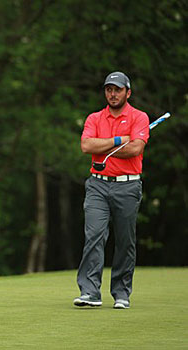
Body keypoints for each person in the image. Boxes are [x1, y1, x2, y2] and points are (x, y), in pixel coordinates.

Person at [73, 71, 149, 309]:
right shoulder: (95, 118)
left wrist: (103, 145)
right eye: (109, 89)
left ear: (128, 92)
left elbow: (135, 149)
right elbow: (86, 145)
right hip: (97, 184)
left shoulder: (139, 117)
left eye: (117, 89)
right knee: (94, 235)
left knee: (125, 241)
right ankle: (90, 292)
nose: (113, 94)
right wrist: (118, 140)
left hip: (128, 185)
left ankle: (121, 293)